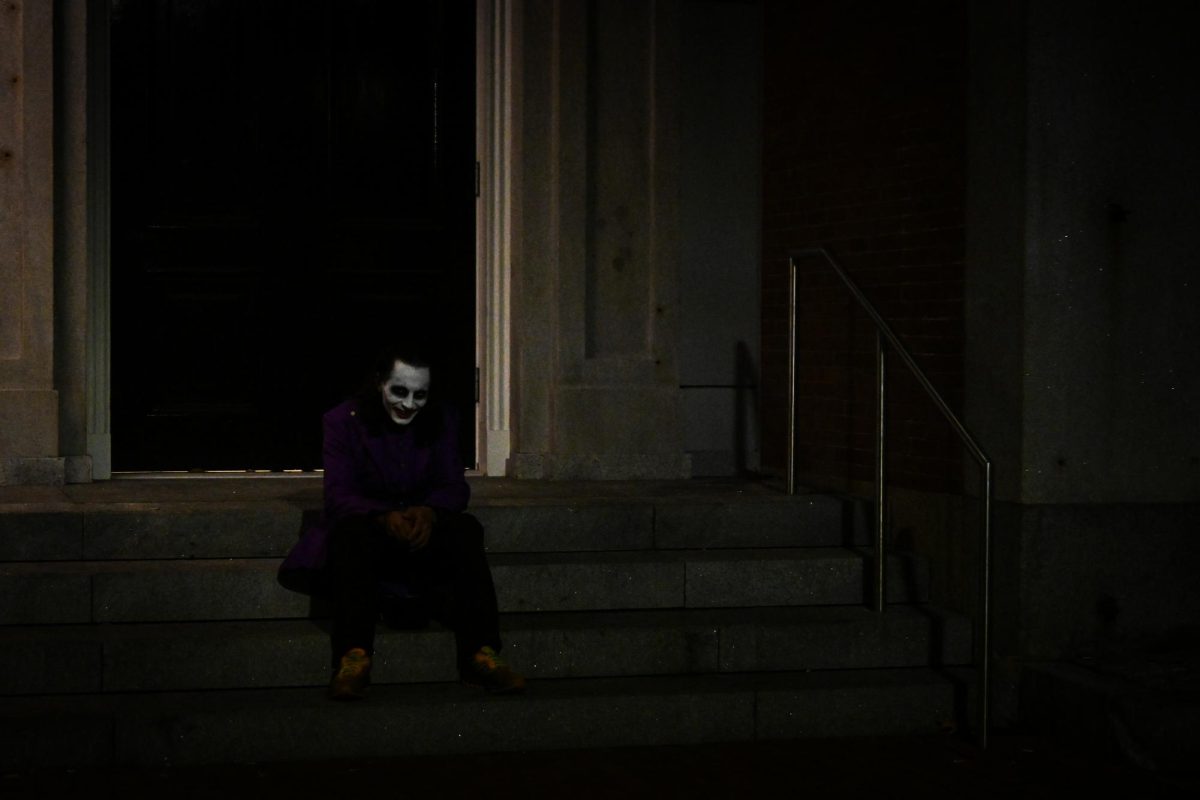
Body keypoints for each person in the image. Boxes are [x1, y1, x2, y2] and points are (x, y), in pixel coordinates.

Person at [287, 344, 524, 701]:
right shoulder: (342, 421)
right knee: (350, 535)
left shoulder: (441, 417)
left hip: (418, 530)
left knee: (466, 530)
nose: (409, 404)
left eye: (419, 395)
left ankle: (481, 654)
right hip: (369, 530)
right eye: (400, 391)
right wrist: (382, 516)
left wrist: (429, 511)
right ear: (380, 383)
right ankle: (354, 657)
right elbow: (339, 494)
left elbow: (453, 486)